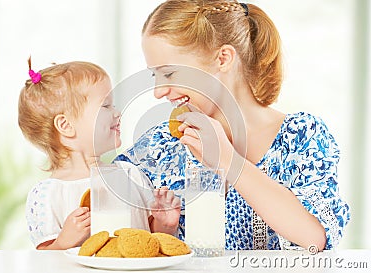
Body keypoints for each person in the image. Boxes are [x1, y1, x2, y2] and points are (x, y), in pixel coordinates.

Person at [115, 0, 350, 251]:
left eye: (170, 73)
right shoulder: (164, 143)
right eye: (154, 75)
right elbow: (114, 219)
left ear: (223, 58)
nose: (158, 91)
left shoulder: (301, 137)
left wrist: (228, 160)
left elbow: (314, 238)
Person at [18, 58, 180, 250]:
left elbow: (150, 240)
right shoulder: (48, 194)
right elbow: (43, 261)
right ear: (66, 125)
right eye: (106, 106)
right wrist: (63, 242)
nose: (117, 113)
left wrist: (165, 223)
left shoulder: (130, 175)